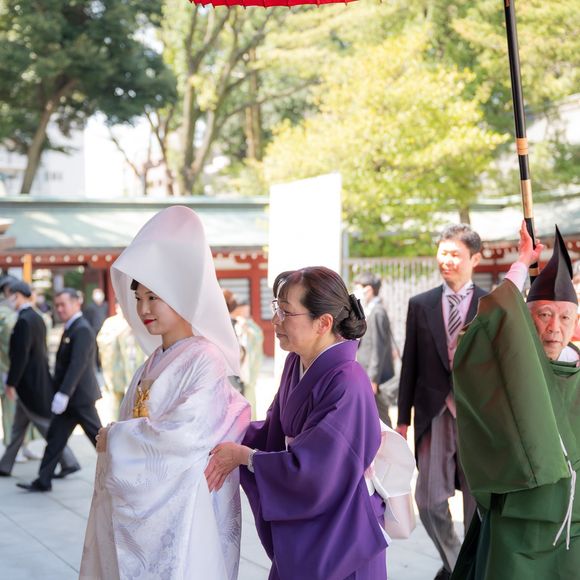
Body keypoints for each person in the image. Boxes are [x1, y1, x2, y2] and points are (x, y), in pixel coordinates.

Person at [80, 206, 250, 580]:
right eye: (138, 297)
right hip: (151, 501)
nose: (143, 308)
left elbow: (185, 434)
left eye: (153, 297)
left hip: (184, 504)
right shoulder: (152, 361)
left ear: (179, 294)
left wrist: (117, 436)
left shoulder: (205, 358)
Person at [205, 266, 388, 580]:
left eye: (286, 312)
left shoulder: (348, 380)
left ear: (323, 323)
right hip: (314, 519)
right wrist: (220, 429)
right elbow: (273, 432)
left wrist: (246, 457)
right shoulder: (296, 362)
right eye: (276, 308)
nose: (275, 321)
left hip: (342, 525)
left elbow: (318, 471)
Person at [451, 223, 580, 579]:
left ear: (576, 323)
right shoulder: (509, 369)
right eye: (543, 314)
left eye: (565, 317)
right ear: (525, 318)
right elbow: (489, 329)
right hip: (517, 518)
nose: (554, 327)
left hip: (574, 524)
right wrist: (522, 262)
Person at [396, 224, 487, 580]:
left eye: (455, 254)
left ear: (475, 259)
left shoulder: (491, 305)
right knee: (429, 502)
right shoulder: (421, 304)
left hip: (478, 418)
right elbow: (410, 364)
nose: (447, 260)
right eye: (443, 253)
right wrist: (402, 420)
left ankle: (472, 566)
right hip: (434, 413)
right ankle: (458, 563)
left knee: (479, 505)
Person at [17, 288, 102, 492]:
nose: (60, 309)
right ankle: (43, 480)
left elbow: (77, 365)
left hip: (79, 398)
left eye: (63, 304)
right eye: (57, 305)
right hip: (69, 399)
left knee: (100, 440)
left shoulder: (82, 329)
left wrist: (64, 393)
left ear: (76, 303)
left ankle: (124, 472)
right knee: (55, 439)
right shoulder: (72, 327)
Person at [0, 281, 80, 478]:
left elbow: (20, 356)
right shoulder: (37, 317)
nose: (8, 300)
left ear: (18, 295)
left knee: (45, 426)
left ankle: (69, 461)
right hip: (36, 380)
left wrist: (11, 383)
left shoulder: (24, 320)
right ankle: (5, 465)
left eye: (9, 295)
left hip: (29, 384)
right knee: (18, 428)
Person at [353, 272, 397, 426]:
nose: (356, 291)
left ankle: (392, 442)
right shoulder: (370, 310)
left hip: (375, 379)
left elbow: (379, 347)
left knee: (381, 419)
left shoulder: (378, 312)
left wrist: (373, 378)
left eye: (358, 287)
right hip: (369, 375)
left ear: (369, 289)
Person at [96, 302, 145, 419]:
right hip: (116, 371)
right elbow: (102, 341)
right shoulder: (111, 323)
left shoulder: (135, 323)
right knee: (116, 404)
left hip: (133, 369)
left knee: (134, 402)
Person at [232, 300, 264, 419]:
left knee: (249, 394)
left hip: (250, 365)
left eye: (247, 309)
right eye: (244, 309)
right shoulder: (235, 322)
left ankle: (251, 421)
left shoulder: (248, 323)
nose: (246, 312)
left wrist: (246, 328)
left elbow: (258, 337)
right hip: (241, 365)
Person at [0, 275, 17, 447]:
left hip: (18, 365)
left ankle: (23, 445)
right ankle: (12, 444)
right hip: (5, 365)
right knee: (10, 407)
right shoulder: (3, 311)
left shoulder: (16, 308)